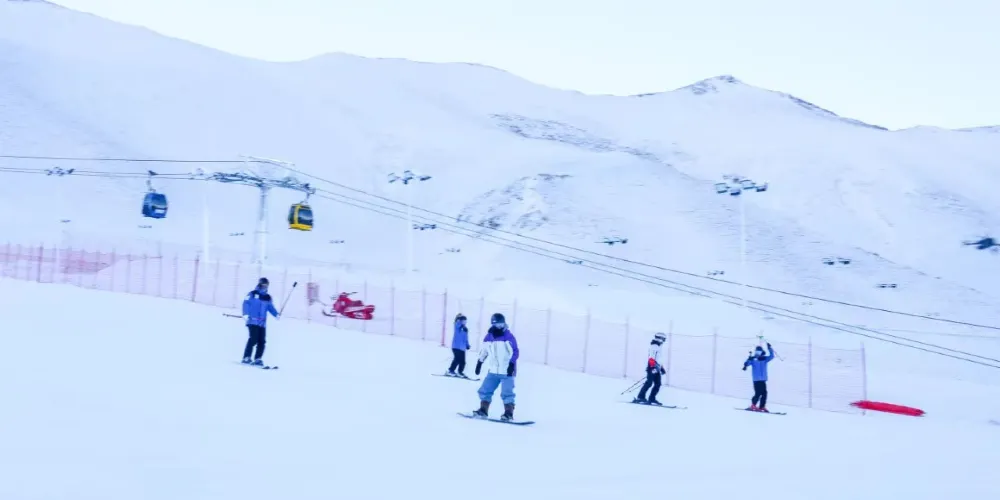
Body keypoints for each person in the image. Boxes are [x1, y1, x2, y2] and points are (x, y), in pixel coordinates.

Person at [472, 313, 520, 421]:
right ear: (493, 324)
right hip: (493, 370)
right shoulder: (488, 337)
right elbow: (484, 351)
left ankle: (508, 413)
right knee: (485, 389)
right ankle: (483, 410)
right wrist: (480, 362)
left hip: (507, 371)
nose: (499, 327)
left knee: (507, 393)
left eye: (501, 324)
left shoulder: (508, 336)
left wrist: (512, 364)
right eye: (497, 325)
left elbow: (515, 351)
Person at [241, 277, 279, 366]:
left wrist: (276, 314)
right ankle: (246, 357)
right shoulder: (252, 294)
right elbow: (246, 303)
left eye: (267, 285)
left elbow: (270, 307)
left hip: (262, 323)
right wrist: (245, 313)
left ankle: (258, 358)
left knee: (262, 341)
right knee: (253, 339)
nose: (265, 287)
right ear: (260, 284)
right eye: (263, 285)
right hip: (252, 321)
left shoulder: (267, 297)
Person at [633, 332, 667, 405]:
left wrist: (661, 368)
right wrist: (653, 367)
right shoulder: (654, 346)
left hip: (657, 367)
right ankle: (640, 397)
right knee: (649, 383)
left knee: (658, 384)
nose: (664, 340)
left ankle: (652, 398)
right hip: (652, 367)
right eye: (664, 339)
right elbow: (651, 358)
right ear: (660, 338)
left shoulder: (659, 346)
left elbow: (658, 359)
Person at [743, 343, 776, 412]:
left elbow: (772, 356)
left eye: (759, 352)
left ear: (761, 352)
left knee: (764, 393)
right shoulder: (753, 359)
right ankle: (753, 405)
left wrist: (769, 348)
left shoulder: (764, 359)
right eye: (756, 352)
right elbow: (747, 364)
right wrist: (748, 360)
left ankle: (762, 407)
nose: (757, 353)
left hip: (763, 380)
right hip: (756, 380)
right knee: (758, 393)